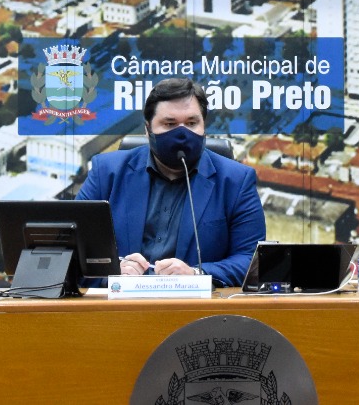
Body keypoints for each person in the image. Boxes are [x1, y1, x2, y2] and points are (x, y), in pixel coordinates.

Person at [76, 77, 266, 286]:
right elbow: (73, 249)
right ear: (148, 130)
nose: (182, 133)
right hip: (119, 309)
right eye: (170, 124)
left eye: (192, 123)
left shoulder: (236, 181)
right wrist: (112, 272)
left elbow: (251, 260)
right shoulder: (107, 172)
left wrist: (196, 274)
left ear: (205, 127)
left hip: (197, 312)